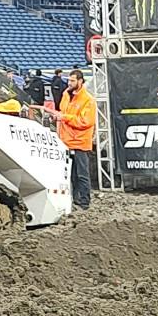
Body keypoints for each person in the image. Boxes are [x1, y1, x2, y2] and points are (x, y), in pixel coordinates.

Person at [56, 67, 97, 210]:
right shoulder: (66, 95)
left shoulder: (88, 100)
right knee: (70, 175)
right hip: (66, 141)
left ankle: (85, 201)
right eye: (69, 80)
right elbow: (62, 110)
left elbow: (86, 121)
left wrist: (65, 118)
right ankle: (75, 199)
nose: (69, 83)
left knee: (82, 174)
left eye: (73, 80)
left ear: (80, 81)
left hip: (80, 142)